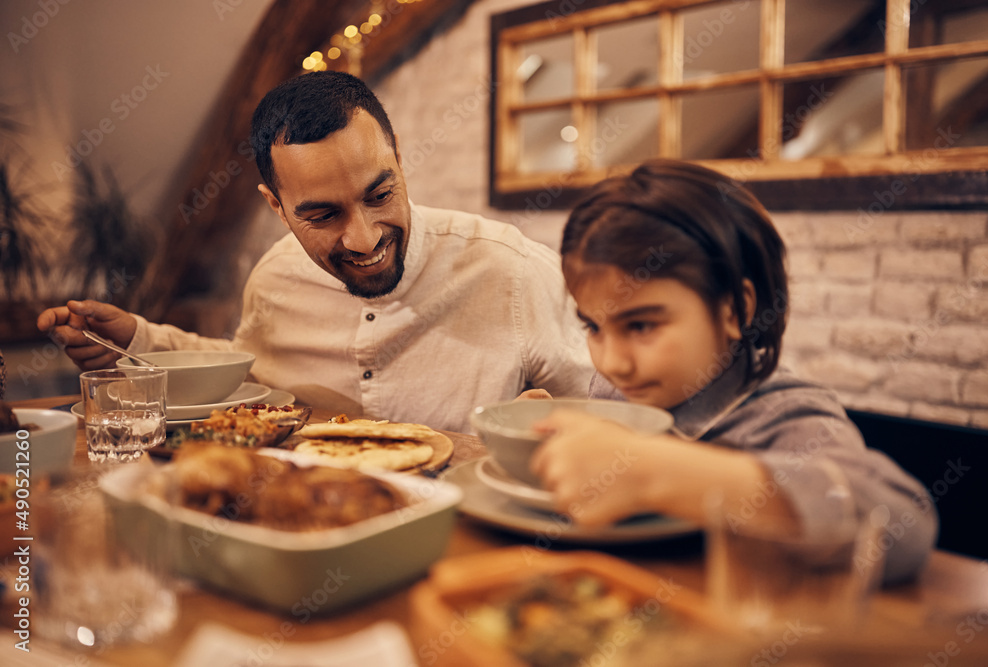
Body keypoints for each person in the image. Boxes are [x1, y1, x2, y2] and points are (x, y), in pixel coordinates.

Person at [36, 72, 594, 433]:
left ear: (398, 158)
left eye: (380, 195)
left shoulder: (512, 272)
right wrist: (137, 342)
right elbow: (247, 370)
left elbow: (613, 413)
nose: (364, 238)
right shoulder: (276, 276)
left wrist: (555, 426)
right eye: (323, 215)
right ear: (277, 207)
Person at [527, 159, 937, 584]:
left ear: (734, 309)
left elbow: (905, 527)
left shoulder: (784, 415)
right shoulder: (617, 394)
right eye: (593, 326)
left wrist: (654, 471)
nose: (612, 363)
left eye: (641, 326)